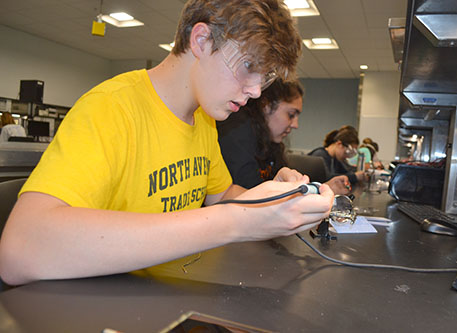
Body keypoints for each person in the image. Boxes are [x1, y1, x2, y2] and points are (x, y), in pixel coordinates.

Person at [0, 0, 334, 286]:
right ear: (201, 40)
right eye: (249, 66)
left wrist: (274, 202)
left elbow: (223, 195)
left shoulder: (204, 118)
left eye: (265, 77)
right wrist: (234, 223)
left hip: (172, 294)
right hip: (106, 303)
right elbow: (20, 249)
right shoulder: (111, 108)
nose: (256, 91)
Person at [217, 79, 350, 194]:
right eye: (291, 115)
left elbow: (277, 194)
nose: (295, 125)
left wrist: (322, 189)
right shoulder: (237, 132)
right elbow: (251, 198)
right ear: (266, 105)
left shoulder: (270, 142)